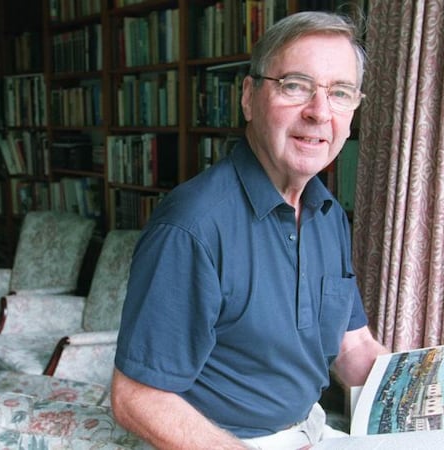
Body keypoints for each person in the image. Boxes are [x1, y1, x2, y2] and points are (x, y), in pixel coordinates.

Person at [111, 10, 389, 449]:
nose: (319, 112)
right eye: (296, 86)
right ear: (248, 96)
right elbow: (136, 398)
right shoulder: (192, 226)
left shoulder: (328, 212)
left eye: (340, 93)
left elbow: (353, 348)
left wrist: (435, 393)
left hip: (311, 431)